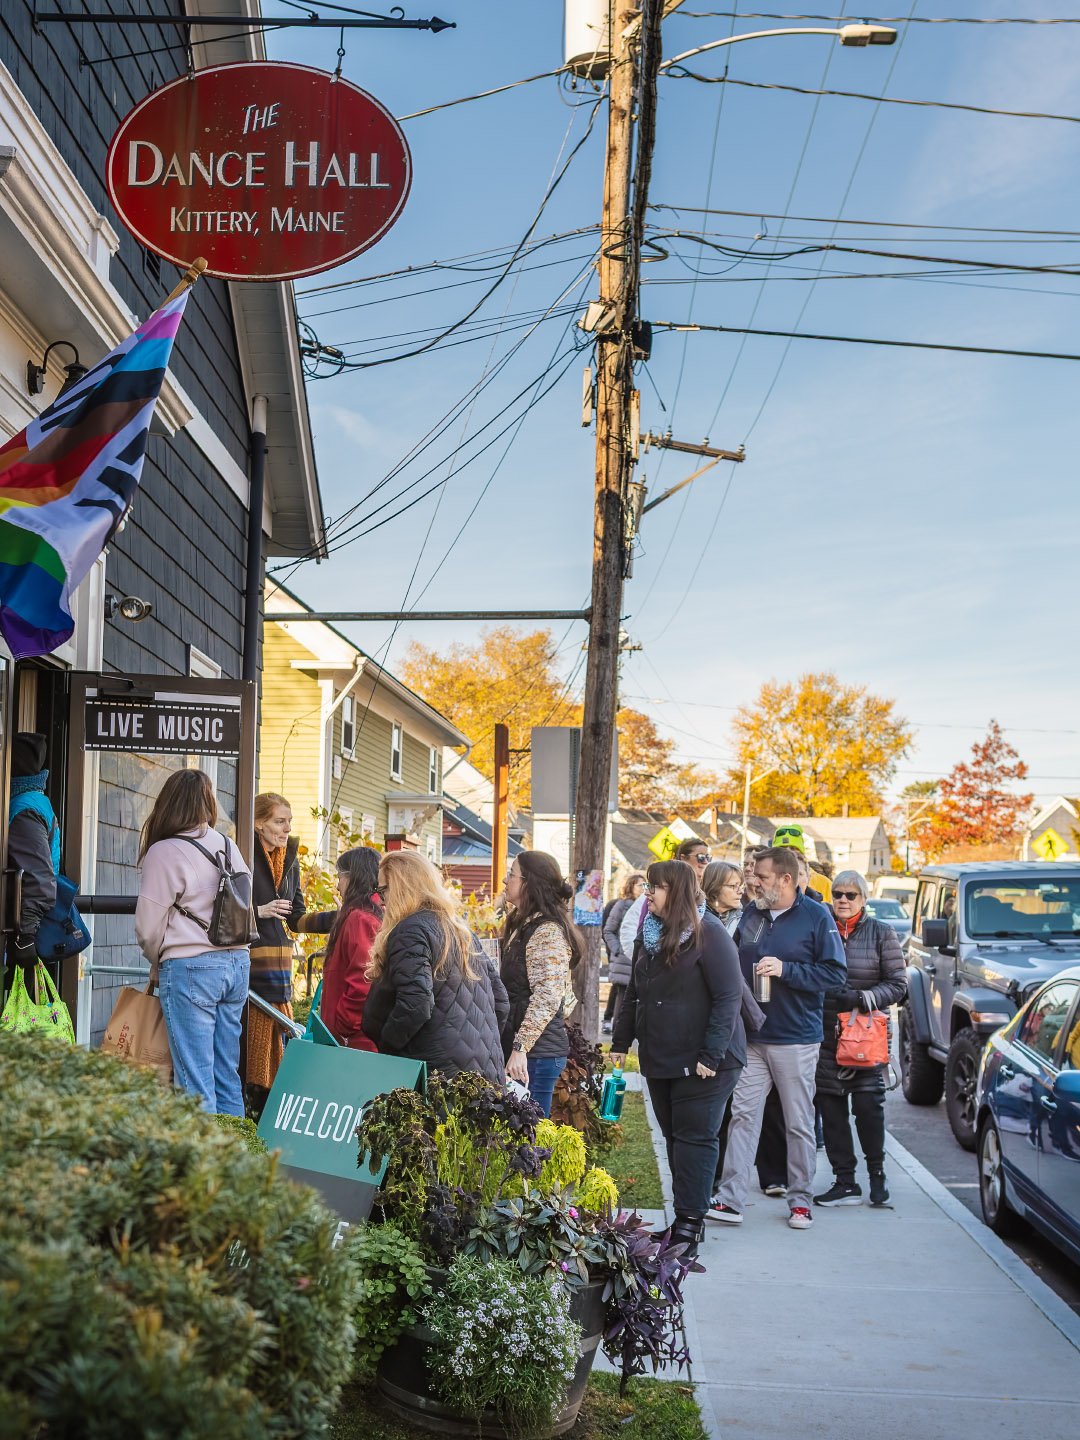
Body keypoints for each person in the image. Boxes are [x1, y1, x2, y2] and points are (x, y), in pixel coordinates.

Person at [611, 859, 745, 1259]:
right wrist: (620, 1041)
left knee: (695, 1140)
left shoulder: (709, 933)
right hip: (662, 1055)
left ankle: (690, 1226)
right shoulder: (649, 934)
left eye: (656, 887)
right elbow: (634, 993)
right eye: (647, 886)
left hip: (705, 1060)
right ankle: (682, 1219)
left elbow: (728, 997)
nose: (648, 893)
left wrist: (711, 1054)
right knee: (675, 1139)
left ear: (677, 891)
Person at [710, 846, 846, 1230]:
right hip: (753, 1038)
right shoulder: (750, 914)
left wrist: (787, 970)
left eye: (762, 876)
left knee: (798, 1122)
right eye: (754, 875)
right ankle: (730, 1199)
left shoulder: (817, 916)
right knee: (743, 1117)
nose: (753, 881)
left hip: (796, 1039)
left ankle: (800, 1201)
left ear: (786, 879)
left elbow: (835, 974)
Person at [135, 768, 251, 1116]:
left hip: (191, 968)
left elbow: (148, 927)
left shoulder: (164, 851)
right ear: (207, 803)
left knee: (194, 1082)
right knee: (226, 1075)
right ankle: (236, 1147)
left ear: (167, 803)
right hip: (237, 963)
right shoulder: (227, 845)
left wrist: (156, 960)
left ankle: (203, 1151)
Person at [362, 849, 509, 1082]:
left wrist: (388, 1046)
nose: (380, 900)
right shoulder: (461, 930)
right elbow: (500, 1001)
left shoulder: (411, 931)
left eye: (383, 890)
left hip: (439, 1074)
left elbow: (416, 1003)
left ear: (401, 887)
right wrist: (479, 1044)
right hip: (486, 1071)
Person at [815, 870, 906, 1208]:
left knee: (869, 1110)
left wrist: (862, 998)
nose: (843, 900)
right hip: (826, 1036)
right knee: (832, 1113)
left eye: (850, 895)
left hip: (865, 1039)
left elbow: (898, 984)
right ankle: (845, 1182)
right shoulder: (821, 930)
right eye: (837, 894)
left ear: (863, 899)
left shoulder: (882, 933)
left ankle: (877, 1176)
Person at [501, 851, 582, 1116]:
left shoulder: (546, 932)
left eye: (512, 874)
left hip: (534, 1056)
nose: (505, 880)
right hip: (525, 1051)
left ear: (529, 883)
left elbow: (547, 997)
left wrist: (520, 1048)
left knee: (530, 1134)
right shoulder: (523, 923)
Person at [248, 792, 307, 1095]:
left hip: (279, 968)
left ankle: (264, 1106)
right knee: (248, 1048)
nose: (287, 829)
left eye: (289, 822)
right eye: (279, 821)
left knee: (278, 1041)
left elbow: (297, 917)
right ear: (259, 823)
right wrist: (258, 911)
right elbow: (218, 908)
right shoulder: (241, 855)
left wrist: (340, 918)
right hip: (248, 966)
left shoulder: (291, 860)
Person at [320, 847, 383, 1049]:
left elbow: (364, 978)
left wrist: (344, 1026)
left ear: (352, 877)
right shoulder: (370, 913)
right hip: (356, 1037)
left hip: (354, 1041)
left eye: (339, 877)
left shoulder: (360, 919)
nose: (337, 885)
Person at [6, 733, 59, 972]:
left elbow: (38, 877)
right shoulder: (34, 799)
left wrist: (25, 936)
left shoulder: (23, 808)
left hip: (22, 931)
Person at [619, 837, 710, 957]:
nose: (705, 862)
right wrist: (639, 959)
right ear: (683, 858)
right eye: (701, 857)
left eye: (708, 857)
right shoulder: (652, 896)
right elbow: (629, 928)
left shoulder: (709, 926)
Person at [602, 872, 645, 1032]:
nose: (644, 888)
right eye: (640, 885)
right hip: (623, 959)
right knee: (622, 1000)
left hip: (638, 959)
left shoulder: (647, 905)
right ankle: (617, 1034)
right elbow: (608, 930)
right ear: (630, 886)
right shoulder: (622, 905)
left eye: (646, 885)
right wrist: (618, 949)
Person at [702, 861, 743, 936]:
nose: (741, 891)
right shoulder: (695, 917)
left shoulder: (744, 921)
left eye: (740, 886)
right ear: (714, 887)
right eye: (733, 886)